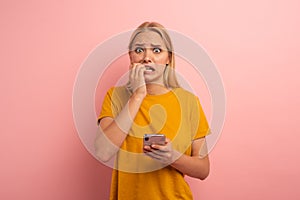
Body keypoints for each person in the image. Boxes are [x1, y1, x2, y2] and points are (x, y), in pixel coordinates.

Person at [95, 21, 210, 200]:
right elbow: (103, 152)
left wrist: (173, 157)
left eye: (157, 50)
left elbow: (203, 169)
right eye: (139, 50)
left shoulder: (189, 102)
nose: (147, 57)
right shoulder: (115, 97)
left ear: (168, 58)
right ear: (130, 57)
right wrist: (138, 95)